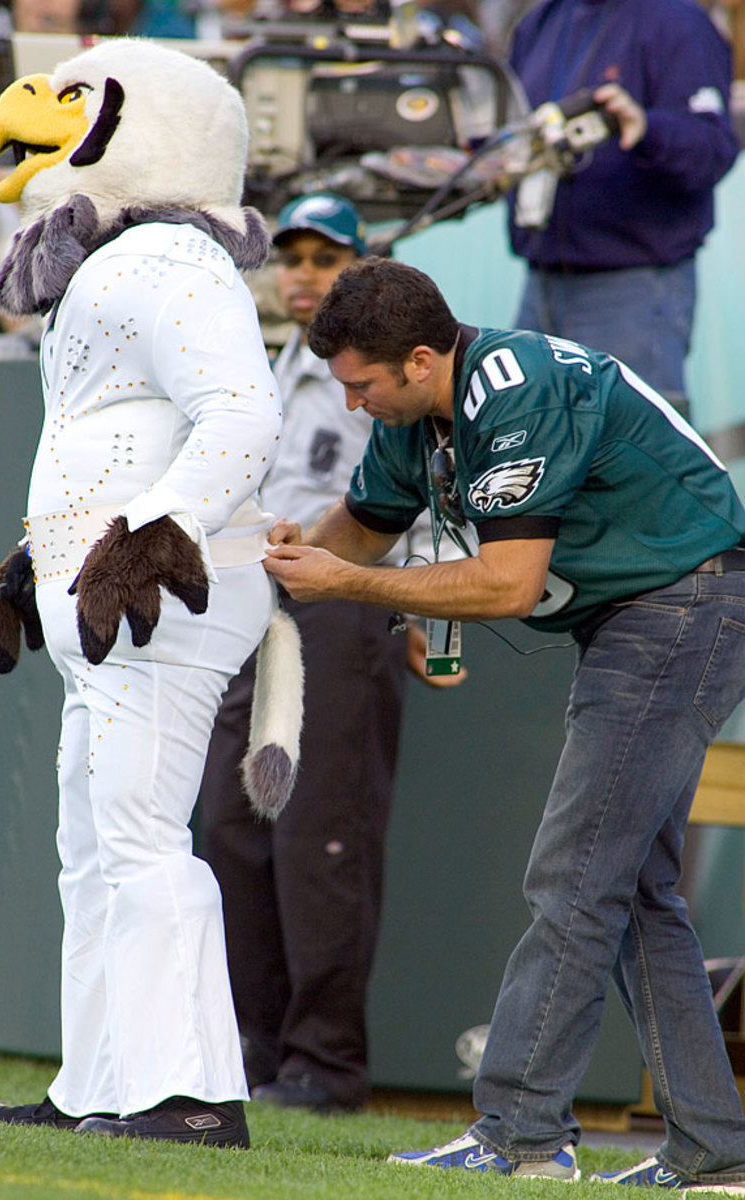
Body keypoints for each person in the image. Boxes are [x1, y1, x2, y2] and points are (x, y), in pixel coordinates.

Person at [262, 255, 745, 1188]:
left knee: (572, 874)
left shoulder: (512, 391)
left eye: (361, 386)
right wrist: (277, 555)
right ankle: (715, 1150)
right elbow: (358, 527)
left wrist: (348, 584)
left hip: (685, 605)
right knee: (631, 891)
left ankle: (521, 1132)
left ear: (415, 359)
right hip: (645, 615)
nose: (352, 406)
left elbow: (506, 583)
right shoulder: (421, 412)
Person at [0, 36, 302, 1148]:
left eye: (78, 101)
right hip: (107, 592)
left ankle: (192, 1094)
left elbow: (242, 417)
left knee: (139, 836)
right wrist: (43, 560)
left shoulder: (168, 260)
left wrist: (152, 537)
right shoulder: (126, 262)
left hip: (159, 596)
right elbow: (109, 438)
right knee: (94, 840)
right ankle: (101, 1084)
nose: (44, 116)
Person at [197, 194, 462, 1115]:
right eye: (293, 254)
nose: (305, 271)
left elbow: (430, 486)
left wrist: (420, 601)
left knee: (323, 835)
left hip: (347, 604)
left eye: (327, 255)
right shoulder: (265, 366)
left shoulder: (391, 373)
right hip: (257, 601)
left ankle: (325, 1061)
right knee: (232, 826)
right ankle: (255, 1044)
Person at [505, 0, 738, 417]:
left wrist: (646, 127)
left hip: (633, 289)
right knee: (531, 457)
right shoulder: (538, 22)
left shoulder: (676, 22)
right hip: (539, 282)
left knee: (633, 467)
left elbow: (712, 150)